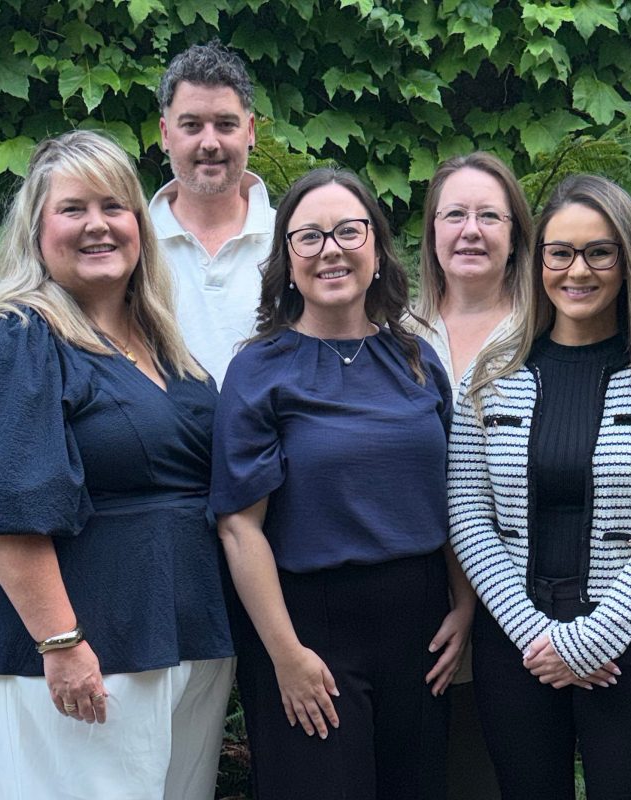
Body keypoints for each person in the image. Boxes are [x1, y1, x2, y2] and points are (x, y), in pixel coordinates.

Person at [0, 130, 234, 799]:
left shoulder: (166, 347)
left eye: (114, 206)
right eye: (73, 209)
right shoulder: (15, 339)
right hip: (76, 651)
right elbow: (3, 508)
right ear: (36, 231)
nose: (98, 225)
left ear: (141, 225)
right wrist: (62, 644)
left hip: (178, 633)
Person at [447, 173, 631, 799]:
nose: (577, 271)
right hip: (518, 644)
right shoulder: (490, 375)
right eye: (560, 252)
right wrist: (539, 636)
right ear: (538, 259)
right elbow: (466, 512)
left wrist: (594, 639)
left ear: (627, 262)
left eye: (599, 252)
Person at [210, 167, 463, 800]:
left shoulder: (417, 358)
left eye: (350, 231)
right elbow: (240, 527)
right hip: (308, 627)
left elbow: (453, 491)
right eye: (309, 237)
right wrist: (284, 655)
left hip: (421, 624)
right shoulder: (257, 370)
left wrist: (465, 607)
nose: (331, 249)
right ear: (286, 259)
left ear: (376, 248)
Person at [411, 151, 535, 800]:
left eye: (490, 215)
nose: (471, 230)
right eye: (454, 214)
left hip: (525, 599)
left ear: (516, 232)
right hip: (418, 601)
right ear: (431, 231)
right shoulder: (395, 334)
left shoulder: (548, 330)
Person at [149, 40, 276, 386]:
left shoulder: (293, 239)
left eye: (225, 124)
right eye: (191, 125)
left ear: (249, 131)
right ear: (165, 134)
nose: (209, 143)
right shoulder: (132, 244)